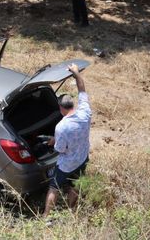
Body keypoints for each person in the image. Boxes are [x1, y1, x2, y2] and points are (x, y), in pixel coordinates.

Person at [43, 63, 91, 218]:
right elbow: (82, 89)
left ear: (61, 108)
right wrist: (76, 73)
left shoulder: (61, 127)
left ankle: (46, 215)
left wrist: (53, 142)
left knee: (53, 188)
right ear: (72, 104)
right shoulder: (85, 113)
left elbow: (60, 149)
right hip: (82, 158)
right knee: (75, 185)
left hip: (67, 164)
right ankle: (71, 210)